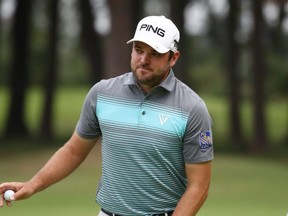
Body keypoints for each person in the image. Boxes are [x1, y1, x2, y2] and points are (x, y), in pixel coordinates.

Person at [0, 15, 213, 216]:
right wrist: (32, 184)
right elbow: (73, 151)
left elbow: (199, 186)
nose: (143, 60)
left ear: (173, 57)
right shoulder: (102, 93)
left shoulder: (192, 108)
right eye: (138, 50)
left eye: (155, 54)